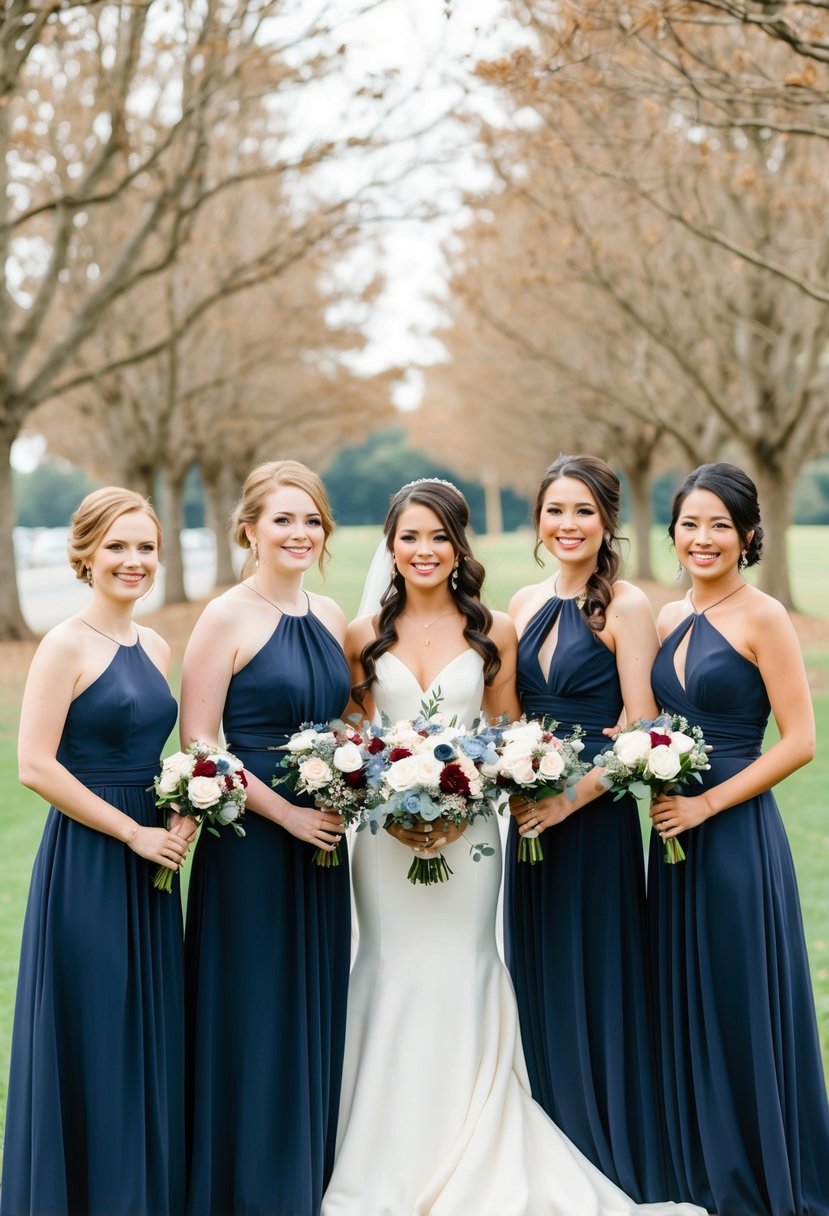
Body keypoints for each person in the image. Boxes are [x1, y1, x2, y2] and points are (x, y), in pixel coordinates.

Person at [322, 478, 704, 1216]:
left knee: (465, 968)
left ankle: (477, 1141)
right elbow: (354, 736)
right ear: (390, 545)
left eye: (438, 537)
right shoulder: (360, 634)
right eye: (409, 537)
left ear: (459, 546)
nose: (423, 550)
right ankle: (379, 1153)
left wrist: (466, 800)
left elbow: (505, 739)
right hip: (385, 848)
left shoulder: (494, 629)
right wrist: (388, 802)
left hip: (468, 841)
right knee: (388, 967)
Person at [647, 462, 829, 1216]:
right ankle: (702, 1166)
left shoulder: (763, 616)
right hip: (670, 837)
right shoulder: (665, 619)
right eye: (690, 523)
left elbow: (799, 741)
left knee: (738, 994)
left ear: (748, 536)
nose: (702, 537)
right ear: (673, 533)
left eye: (719, 524)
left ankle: (763, 1174)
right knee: (683, 998)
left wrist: (708, 805)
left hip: (733, 836)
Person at [0, 487, 188, 1216]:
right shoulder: (64, 643)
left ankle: (138, 1190)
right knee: (97, 1025)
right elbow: (35, 765)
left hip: (153, 859)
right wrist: (131, 831)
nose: (133, 561)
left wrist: (179, 807)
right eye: (117, 546)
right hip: (91, 859)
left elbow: (155, 751)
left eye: (144, 547)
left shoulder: (157, 646)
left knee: (145, 1025)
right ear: (85, 554)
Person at [182, 460, 352, 1216]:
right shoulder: (225, 615)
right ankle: (246, 1186)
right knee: (253, 1011)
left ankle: (306, 1173)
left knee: (315, 1003)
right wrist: (285, 816)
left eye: (310, 519)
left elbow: (347, 729)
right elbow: (198, 742)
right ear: (248, 528)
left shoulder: (331, 616)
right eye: (282, 519)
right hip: (251, 845)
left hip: (323, 845)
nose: (298, 533)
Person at [504, 454, 671, 1201]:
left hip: (593, 821)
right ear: (537, 521)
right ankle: (547, 1141)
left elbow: (643, 724)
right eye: (554, 511)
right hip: (526, 818)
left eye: (581, 511)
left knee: (598, 978)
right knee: (535, 974)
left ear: (607, 521)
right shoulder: (520, 601)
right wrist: (512, 774)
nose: (566, 525)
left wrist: (571, 798)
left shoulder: (624, 606)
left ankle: (608, 1146)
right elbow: (507, 715)